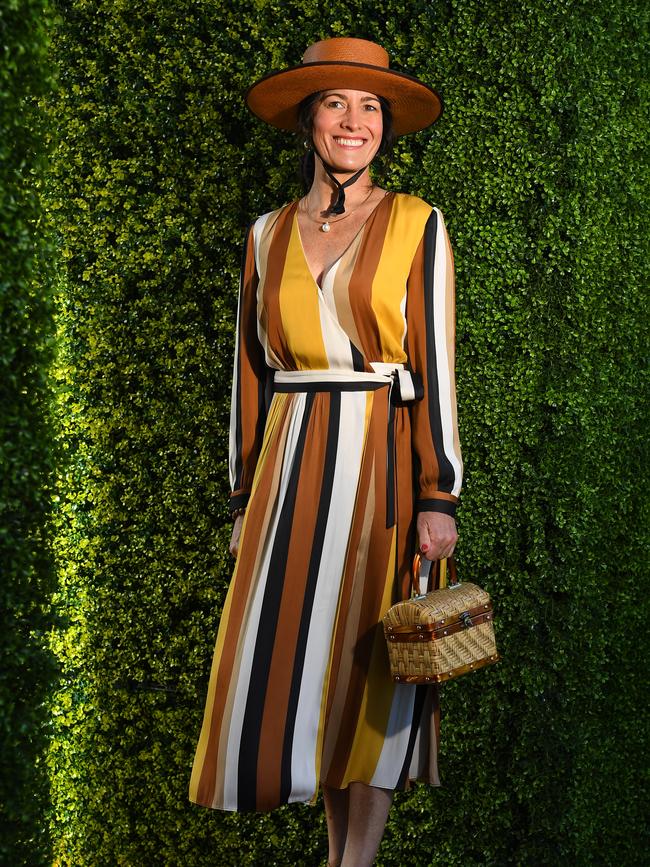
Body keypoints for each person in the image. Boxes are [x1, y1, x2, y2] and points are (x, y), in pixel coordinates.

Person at [189, 37, 463, 867]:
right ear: (309, 122)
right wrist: (243, 502)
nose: (356, 121)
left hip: (383, 473)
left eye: (371, 106)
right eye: (338, 104)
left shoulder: (418, 222)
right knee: (310, 668)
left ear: (385, 127)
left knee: (376, 671)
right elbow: (247, 376)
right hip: (288, 473)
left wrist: (437, 495)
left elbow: (436, 367)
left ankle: (358, 861)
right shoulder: (265, 234)